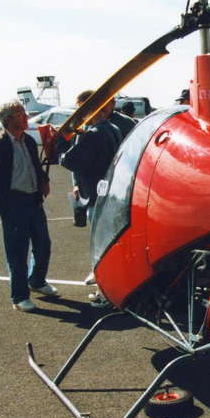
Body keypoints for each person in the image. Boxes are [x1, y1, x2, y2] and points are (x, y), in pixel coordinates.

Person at [0, 99, 57, 312]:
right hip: (14, 205)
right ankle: (19, 297)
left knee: (43, 244)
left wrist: (44, 181)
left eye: (24, 112)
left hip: (33, 200)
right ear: (8, 120)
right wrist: (8, 200)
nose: (25, 117)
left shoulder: (29, 142)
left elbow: (36, 166)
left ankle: (37, 281)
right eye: (20, 113)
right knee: (17, 251)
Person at [54, 92, 122, 308]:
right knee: (109, 246)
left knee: (100, 248)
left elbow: (72, 161)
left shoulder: (93, 134)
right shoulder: (112, 129)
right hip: (109, 195)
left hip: (95, 197)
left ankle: (106, 294)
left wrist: (60, 145)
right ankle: (111, 288)